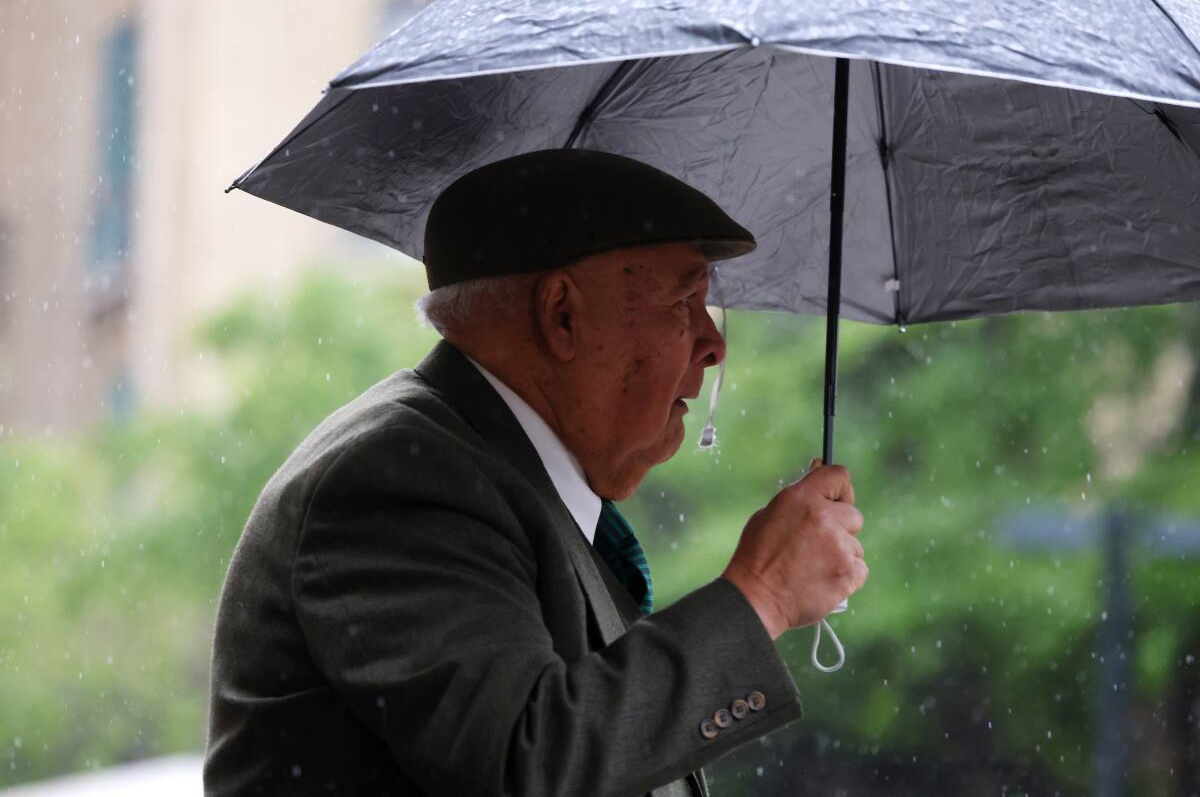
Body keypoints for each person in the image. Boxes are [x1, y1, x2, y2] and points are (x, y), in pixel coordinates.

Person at [203, 149, 868, 796]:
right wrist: (762, 594)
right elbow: (528, 766)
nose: (714, 343)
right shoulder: (400, 480)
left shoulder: (501, 479)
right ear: (562, 315)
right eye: (684, 302)